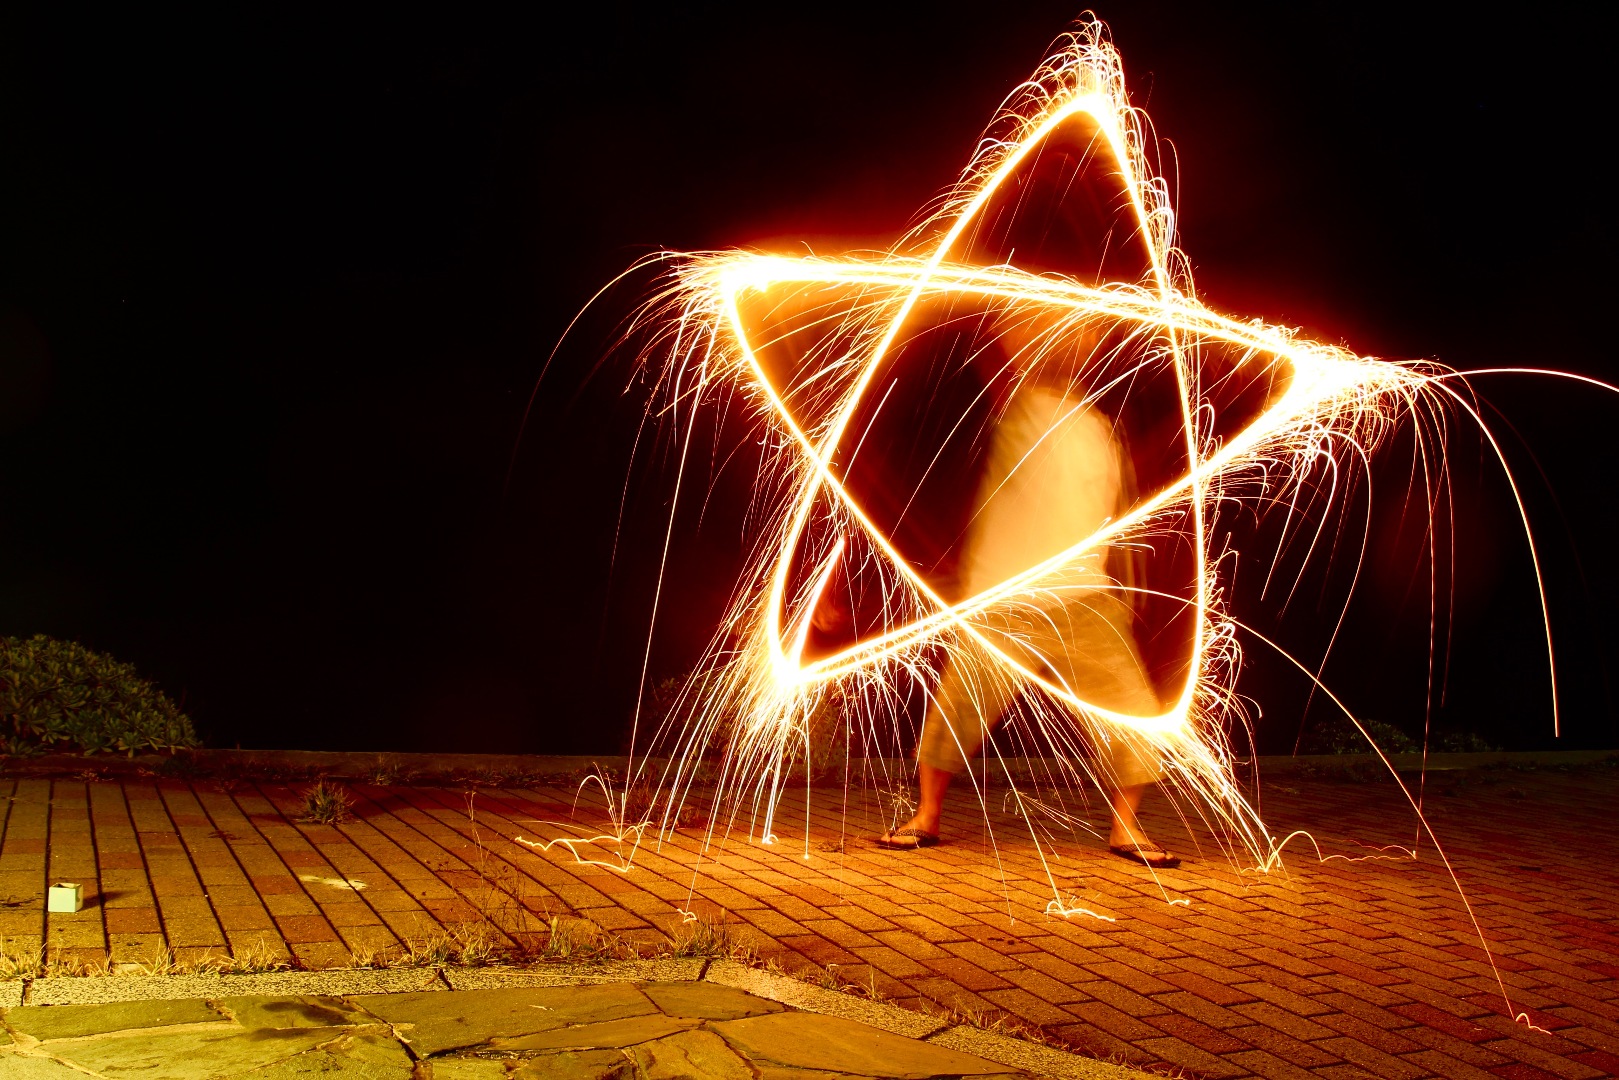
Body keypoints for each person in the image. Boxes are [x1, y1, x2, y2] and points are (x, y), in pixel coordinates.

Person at [877, 379, 1180, 868]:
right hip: (1005, 599)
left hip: (1083, 597)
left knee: (1134, 710)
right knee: (957, 709)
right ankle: (926, 815)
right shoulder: (1009, 414)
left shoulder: (1100, 429)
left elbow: (1112, 513)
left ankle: (1126, 827)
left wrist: (1125, 576)